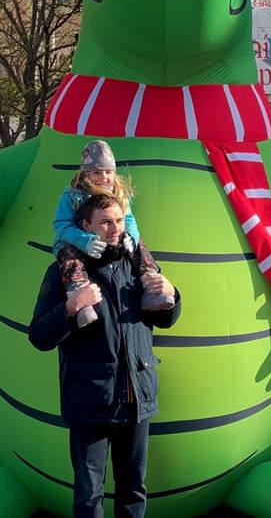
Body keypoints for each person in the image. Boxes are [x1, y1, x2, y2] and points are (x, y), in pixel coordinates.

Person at [29, 193, 182, 518]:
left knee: (134, 493)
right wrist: (71, 307)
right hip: (90, 402)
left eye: (119, 220)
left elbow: (165, 319)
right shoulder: (64, 273)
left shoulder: (137, 267)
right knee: (88, 497)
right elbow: (39, 336)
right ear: (85, 226)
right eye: (105, 222)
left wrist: (172, 294)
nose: (115, 229)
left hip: (137, 401)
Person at [53, 141, 167, 328]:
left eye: (108, 172)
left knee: (140, 246)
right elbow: (62, 225)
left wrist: (130, 234)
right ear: (86, 173)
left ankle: (151, 284)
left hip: (113, 243)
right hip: (76, 241)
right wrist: (84, 241)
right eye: (97, 172)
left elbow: (128, 219)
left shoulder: (118, 192)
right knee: (69, 258)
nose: (104, 177)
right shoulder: (73, 195)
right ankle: (81, 298)